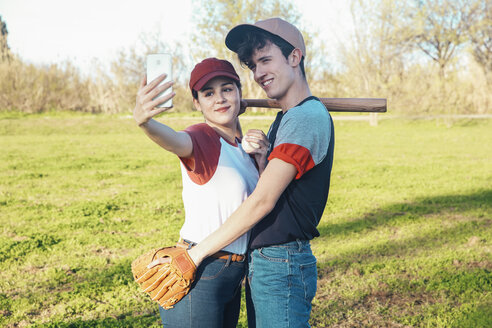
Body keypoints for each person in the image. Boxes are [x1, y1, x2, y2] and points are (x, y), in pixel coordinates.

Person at [182, 18, 336, 327]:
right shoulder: (286, 117)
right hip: (267, 261)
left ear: (295, 57)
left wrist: (195, 255)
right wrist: (263, 158)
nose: (259, 73)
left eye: (266, 60)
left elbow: (263, 201)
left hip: (283, 261)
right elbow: (276, 190)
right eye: (253, 66)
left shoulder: (304, 118)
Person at [133, 57, 268, 328]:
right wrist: (146, 123)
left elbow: (262, 203)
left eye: (227, 89)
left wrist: (263, 159)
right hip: (199, 269)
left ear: (239, 94)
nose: (219, 98)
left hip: (234, 273)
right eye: (208, 93)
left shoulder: (243, 147)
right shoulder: (200, 137)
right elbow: (175, 140)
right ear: (197, 103)